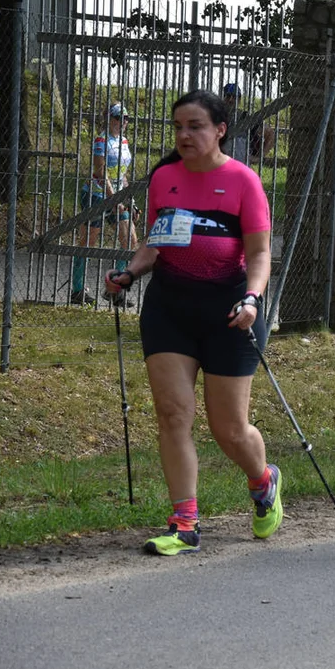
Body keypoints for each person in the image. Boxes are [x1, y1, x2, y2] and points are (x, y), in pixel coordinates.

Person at [104, 89, 280, 556]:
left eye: (195, 126)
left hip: (229, 312)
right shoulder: (165, 178)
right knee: (173, 415)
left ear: (220, 129)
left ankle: (263, 481)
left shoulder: (244, 181)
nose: (184, 134)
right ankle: (184, 523)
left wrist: (252, 298)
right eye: (179, 126)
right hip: (170, 308)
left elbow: (260, 254)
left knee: (229, 429)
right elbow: (157, 242)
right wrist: (130, 271)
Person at [71, 102, 139, 305]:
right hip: (96, 195)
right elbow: (100, 171)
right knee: (88, 243)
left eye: (126, 118)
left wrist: (129, 200)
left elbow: (122, 175)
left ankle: (115, 289)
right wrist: (113, 198)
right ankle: (78, 290)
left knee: (130, 240)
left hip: (116, 197)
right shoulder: (101, 140)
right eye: (119, 117)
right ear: (110, 118)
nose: (123, 121)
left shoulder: (124, 142)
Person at [221, 83, 276, 167]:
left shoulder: (245, 117)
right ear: (223, 97)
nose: (231, 100)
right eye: (228, 96)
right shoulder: (215, 117)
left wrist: (260, 157)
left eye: (235, 97)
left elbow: (270, 133)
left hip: (241, 168)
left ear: (239, 100)